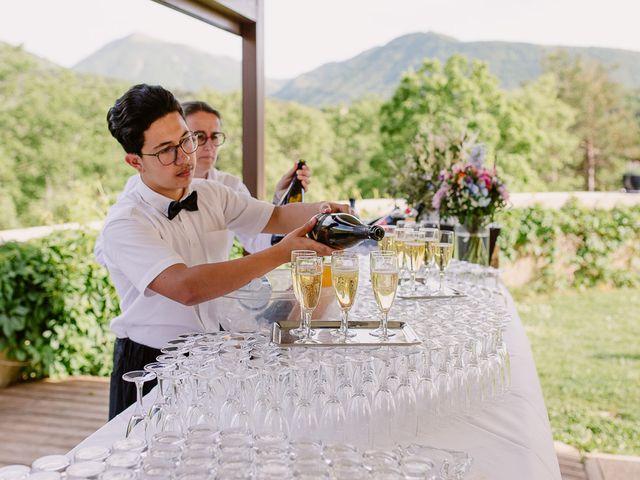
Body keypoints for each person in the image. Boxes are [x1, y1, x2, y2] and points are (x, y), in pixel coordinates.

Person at [101, 83, 347, 419]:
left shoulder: (211, 193)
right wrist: (282, 253)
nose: (185, 156)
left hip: (211, 356)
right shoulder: (124, 223)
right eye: (166, 150)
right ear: (134, 161)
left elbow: (275, 216)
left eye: (187, 140)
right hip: (149, 365)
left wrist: (327, 210)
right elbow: (186, 288)